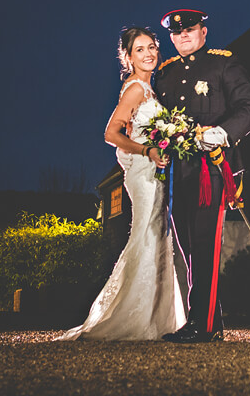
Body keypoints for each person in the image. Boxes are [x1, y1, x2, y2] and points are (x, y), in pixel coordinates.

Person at [59, 27, 186, 340]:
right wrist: (147, 149)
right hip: (143, 172)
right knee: (146, 234)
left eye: (152, 47)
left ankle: (159, 317)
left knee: (155, 235)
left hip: (155, 170)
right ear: (128, 57)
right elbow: (111, 133)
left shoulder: (150, 88)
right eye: (140, 49)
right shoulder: (135, 90)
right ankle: (135, 316)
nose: (149, 54)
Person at [157, 9, 250, 343]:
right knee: (187, 246)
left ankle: (203, 324)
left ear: (203, 31)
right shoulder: (166, 73)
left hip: (211, 168)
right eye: (176, 33)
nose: (183, 36)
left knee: (204, 244)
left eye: (189, 30)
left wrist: (222, 132)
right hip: (177, 170)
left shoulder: (223, 64)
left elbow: (249, 108)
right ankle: (207, 321)